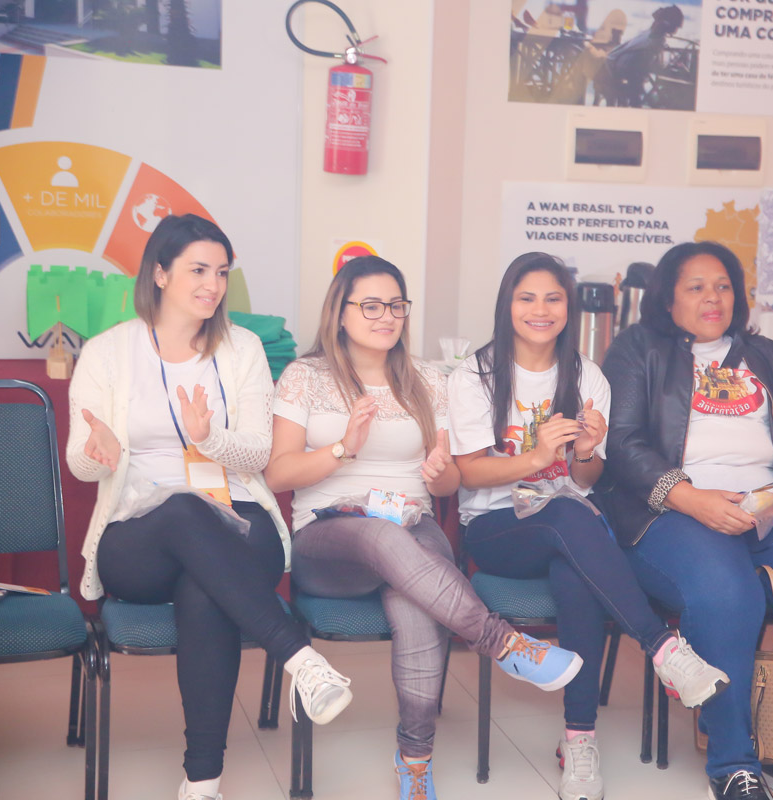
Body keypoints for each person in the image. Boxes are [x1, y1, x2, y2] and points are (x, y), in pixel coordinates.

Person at [264, 256, 583, 800]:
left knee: (414, 601)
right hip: (329, 536)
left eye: (396, 305)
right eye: (371, 305)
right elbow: (278, 473)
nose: (386, 316)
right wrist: (343, 449)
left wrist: (440, 474)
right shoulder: (306, 377)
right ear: (340, 312)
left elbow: (450, 481)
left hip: (412, 526)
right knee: (384, 538)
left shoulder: (430, 380)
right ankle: (500, 640)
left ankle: (414, 759)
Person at [65, 214, 352, 800]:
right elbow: (81, 461)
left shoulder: (241, 349)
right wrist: (100, 453)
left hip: (237, 521)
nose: (213, 285)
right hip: (138, 539)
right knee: (182, 509)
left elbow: (259, 452)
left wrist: (209, 438)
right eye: (199, 270)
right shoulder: (107, 353)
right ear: (160, 273)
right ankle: (299, 658)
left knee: (205, 584)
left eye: (222, 272)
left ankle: (202, 783)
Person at [448, 252, 728, 800]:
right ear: (507, 305)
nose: (541, 310)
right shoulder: (474, 376)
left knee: (575, 565)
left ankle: (578, 740)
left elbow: (587, 478)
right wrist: (535, 458)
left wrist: (585, 450)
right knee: (570, 516)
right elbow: (470, 472)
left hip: (569, 528)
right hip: (498, 526)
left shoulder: (587, 376)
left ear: (568, 307)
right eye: (527, 298)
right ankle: (663, 647)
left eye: (553, 298)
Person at [602, 241, 773, 800]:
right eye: (696, 287)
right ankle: (733, 760)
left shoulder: (765, 355)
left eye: (722, 286)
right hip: (674, 509)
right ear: (668, 299)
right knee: (727, 591)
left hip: (767, 507)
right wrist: (690, 498)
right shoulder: (637, 349)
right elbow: (622, 443)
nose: (712, 298)